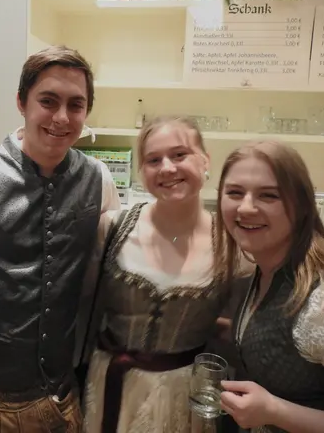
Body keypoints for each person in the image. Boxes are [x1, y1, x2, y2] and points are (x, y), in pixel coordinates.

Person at [0, 45, 120, 432]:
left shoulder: (99, 180)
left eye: (76, 105)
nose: (61, 118)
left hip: (65, 397)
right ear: (21, 102)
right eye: (48, 101)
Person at [214, 140, 324, 433]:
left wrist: (275, 411)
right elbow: (280, 340)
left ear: (301, 205)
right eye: (235, 192)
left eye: (269, 195)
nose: (246, 207)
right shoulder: (263, 267)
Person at [82, 116, 237, 433]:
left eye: (180, 154)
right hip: (110, 383)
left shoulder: (232, 243)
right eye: (153, 160)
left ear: (205, 160)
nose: (167, 168)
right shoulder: (111, 228)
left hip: (184, 393)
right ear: (142, 171)